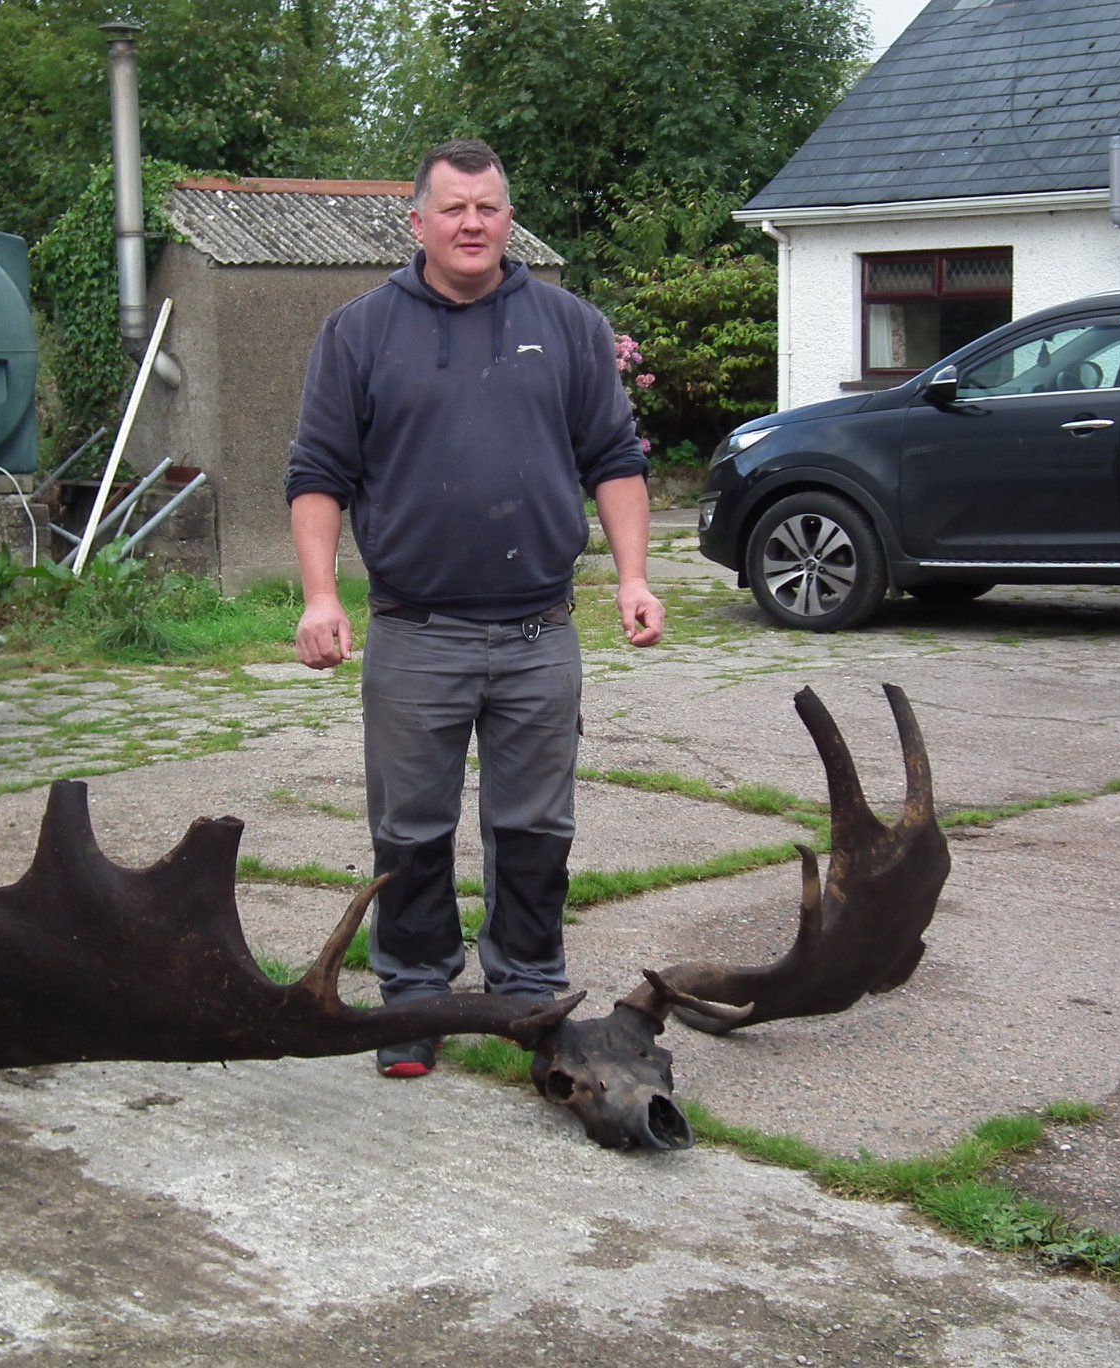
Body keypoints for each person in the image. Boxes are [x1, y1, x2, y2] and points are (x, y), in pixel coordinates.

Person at [284, 138, 663, 1078]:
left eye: (488, 207)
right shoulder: (359, 333)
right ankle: (412, 999)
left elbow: (614, 458)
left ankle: (531, 991)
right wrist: (321, 594)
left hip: (541, 631)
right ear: (416, 222)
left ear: (507, 218)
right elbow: (317, 474)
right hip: (415, 633)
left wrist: (633, 578)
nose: (471, 224)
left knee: (535, 826)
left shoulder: (570, 327)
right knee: (409, 830)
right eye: (452, 208)